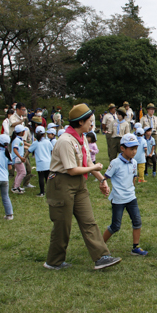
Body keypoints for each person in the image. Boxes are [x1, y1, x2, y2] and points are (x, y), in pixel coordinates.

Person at [44, 103, 121, 270]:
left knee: (89, 221)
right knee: (63, 225)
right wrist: (95, 168)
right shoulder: (65, 141)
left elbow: (88, 162)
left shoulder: (82, 139)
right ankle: (54, 261)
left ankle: (102, 257)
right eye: (89, 121)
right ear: (80, 122)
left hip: (79, 184)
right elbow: (71, 169)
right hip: (61, 183)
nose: (92, 124)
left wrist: (102, 179)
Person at [102, 133, 148, 256]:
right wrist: (104, 185)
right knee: (116, 226)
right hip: (118, 199)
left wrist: (131, 188)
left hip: (131, 198)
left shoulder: (134, 162)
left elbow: (133, 176)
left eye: (135, 149)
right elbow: (105, 177)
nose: (134, 152)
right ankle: (99, 246)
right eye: (131, 149)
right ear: (122, 148)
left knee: (137, 222)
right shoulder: (115, 162)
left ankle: (135, 247)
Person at [28, 126, 53, 197]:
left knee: (41, 178)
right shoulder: (48, 142)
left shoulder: (36, 143)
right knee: (48, 178)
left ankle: (42, 192)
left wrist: (24, 157)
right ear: (44, 134)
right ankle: (50, 192)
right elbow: (52, 151)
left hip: (40, 163)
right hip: (48, 162)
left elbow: (29, 151)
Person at [10, 125, 28, 194]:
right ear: (21, 132)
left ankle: (16, 186)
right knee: (23, 172)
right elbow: (15, 149)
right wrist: (21, 157)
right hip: (17, 159)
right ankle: (16, 187)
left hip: (18, 158)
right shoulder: (17, 140)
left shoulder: (19, 139)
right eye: (24, 131)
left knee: (19, 172)